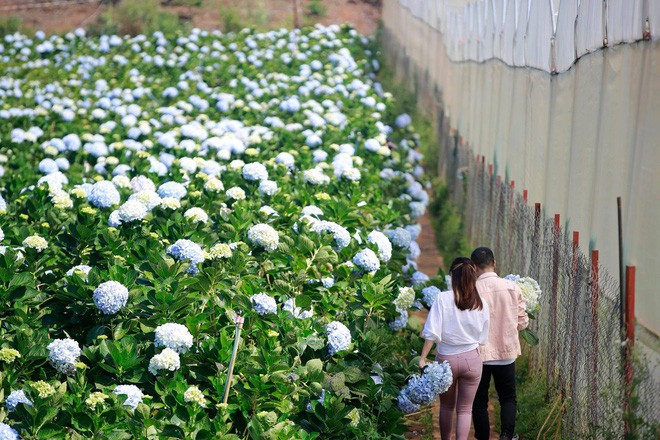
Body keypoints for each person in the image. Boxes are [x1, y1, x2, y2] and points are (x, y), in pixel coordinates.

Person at [419, 257, 490, 440]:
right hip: (472, 360)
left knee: (447, 407)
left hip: (446, 359)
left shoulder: (442, 298)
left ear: (453, 276)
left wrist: (422, 358)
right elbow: (483, 337)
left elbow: (432, 333)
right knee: (465, 409)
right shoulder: (481, 302)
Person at [470, 247, 529, 440]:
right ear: (494, 263)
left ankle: (483, 437)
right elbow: (522, 322)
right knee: (507, 398)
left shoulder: (471, 290)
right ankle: (506, 435)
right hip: (506, 353)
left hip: (480, 354)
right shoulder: (512, 287)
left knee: (479, 401)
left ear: (473, 267)